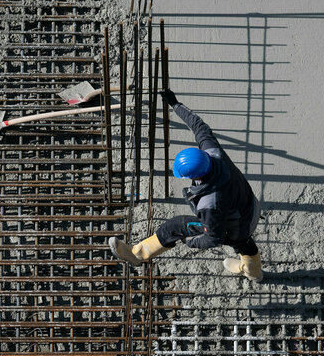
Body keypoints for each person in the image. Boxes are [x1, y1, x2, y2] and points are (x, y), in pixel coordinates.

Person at [108, 88, 263, 282]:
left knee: (175, 227)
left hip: (236, 225)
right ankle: (254, 272)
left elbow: (213, 237)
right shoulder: (214, 153)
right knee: (245, 245)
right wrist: (175, 104)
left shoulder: (210, 202)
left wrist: (192, 243)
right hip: (250, 206)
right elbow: (200, 127)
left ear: (194, 176)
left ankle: (136, 254)